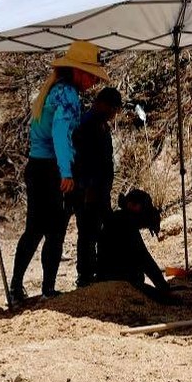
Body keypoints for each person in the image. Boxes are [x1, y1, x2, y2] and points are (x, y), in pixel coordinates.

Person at [10, 41, 107, 303]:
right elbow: (60, 135)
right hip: (50, 168)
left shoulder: (53, 90)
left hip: (39, 166)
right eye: (90, 75)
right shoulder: (67, 95)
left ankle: (20, 287)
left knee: (39, 229)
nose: (92, 82)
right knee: (50, 230)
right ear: (77, 71)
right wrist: (66, 172)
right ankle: (44, 289)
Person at [72, 87, 123, 287]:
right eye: (113, 108)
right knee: (87, 233)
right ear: (102, 104)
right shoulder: (85, 125)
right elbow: (81, 161)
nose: (114, 114)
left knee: (101, 231)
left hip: (101, 189)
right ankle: (85, 276)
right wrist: (87, 189)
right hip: (87, 190)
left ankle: (100, 272)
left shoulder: (102, 125)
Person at [93, 189, 173, 302]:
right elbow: (144, 259)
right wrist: (163, 287)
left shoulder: (117, 219)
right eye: (143, 207)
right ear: (131, 205)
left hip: (109, 281)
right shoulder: (124, 223)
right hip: (121, 284)